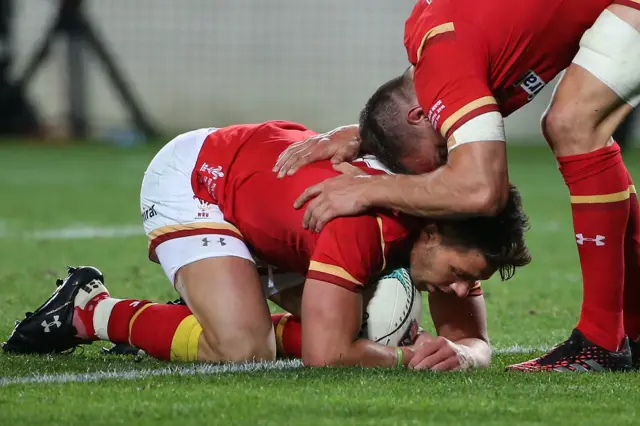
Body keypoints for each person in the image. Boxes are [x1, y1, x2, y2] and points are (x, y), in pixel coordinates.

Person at [273, 0, 640, 372]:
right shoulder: (441, 48)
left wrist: (365, 189)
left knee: (573, 124)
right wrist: (366, 134)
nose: (443, 164)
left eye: (438, 157)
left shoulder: (443, 59)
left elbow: (482, 189)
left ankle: (600, 340)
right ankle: (630, 332)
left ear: (418, 115)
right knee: (576, 123)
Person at [2, 120, 531, 371]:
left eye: (473, 281)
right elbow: (327, 356)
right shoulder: (366, 227)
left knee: (375, 330)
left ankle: (213, 308)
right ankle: (91, 309)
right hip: (201, 181)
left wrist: (459, 354)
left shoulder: (449, 222)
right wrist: (407, 359)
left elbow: (472, 340)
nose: (462, 288)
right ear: (432, 230)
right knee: (241, 348)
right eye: (462, 273)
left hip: (278, 209)